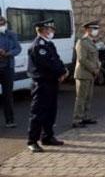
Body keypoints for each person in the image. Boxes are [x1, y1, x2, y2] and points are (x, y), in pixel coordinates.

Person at [27, 19, 69, 153]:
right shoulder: (38, 46)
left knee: (51, 111)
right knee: (38, 113)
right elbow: (47, 65)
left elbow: (57, 60)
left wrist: (63, 71)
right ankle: (32, 141)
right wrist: (60, 72)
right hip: (42, 83)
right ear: (43, 30)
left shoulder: (49, 44)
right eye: (50, 29)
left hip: (51, 82)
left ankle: (48, 136)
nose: (52, 32)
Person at [72, 20, 101, 128]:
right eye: (94, 29)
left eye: (97, 29)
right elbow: (82, 59)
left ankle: (85, 116)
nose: (96, 31)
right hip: (83, 74)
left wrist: (98, 67)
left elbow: (94, 58)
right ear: (88, 29)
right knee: (81, 98)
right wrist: (94, 69)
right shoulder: (82, 42)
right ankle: (77, 119)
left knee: (88, 97)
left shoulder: (91, 42)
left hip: (90, 74)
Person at [0, 16, 21, 128]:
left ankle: (10, 120)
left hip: (8, 68)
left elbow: (18, 49)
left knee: (7, 95)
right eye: (0, 24)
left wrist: (8, 53)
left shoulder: (11, 34)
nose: (2, 26)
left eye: (3, 23)